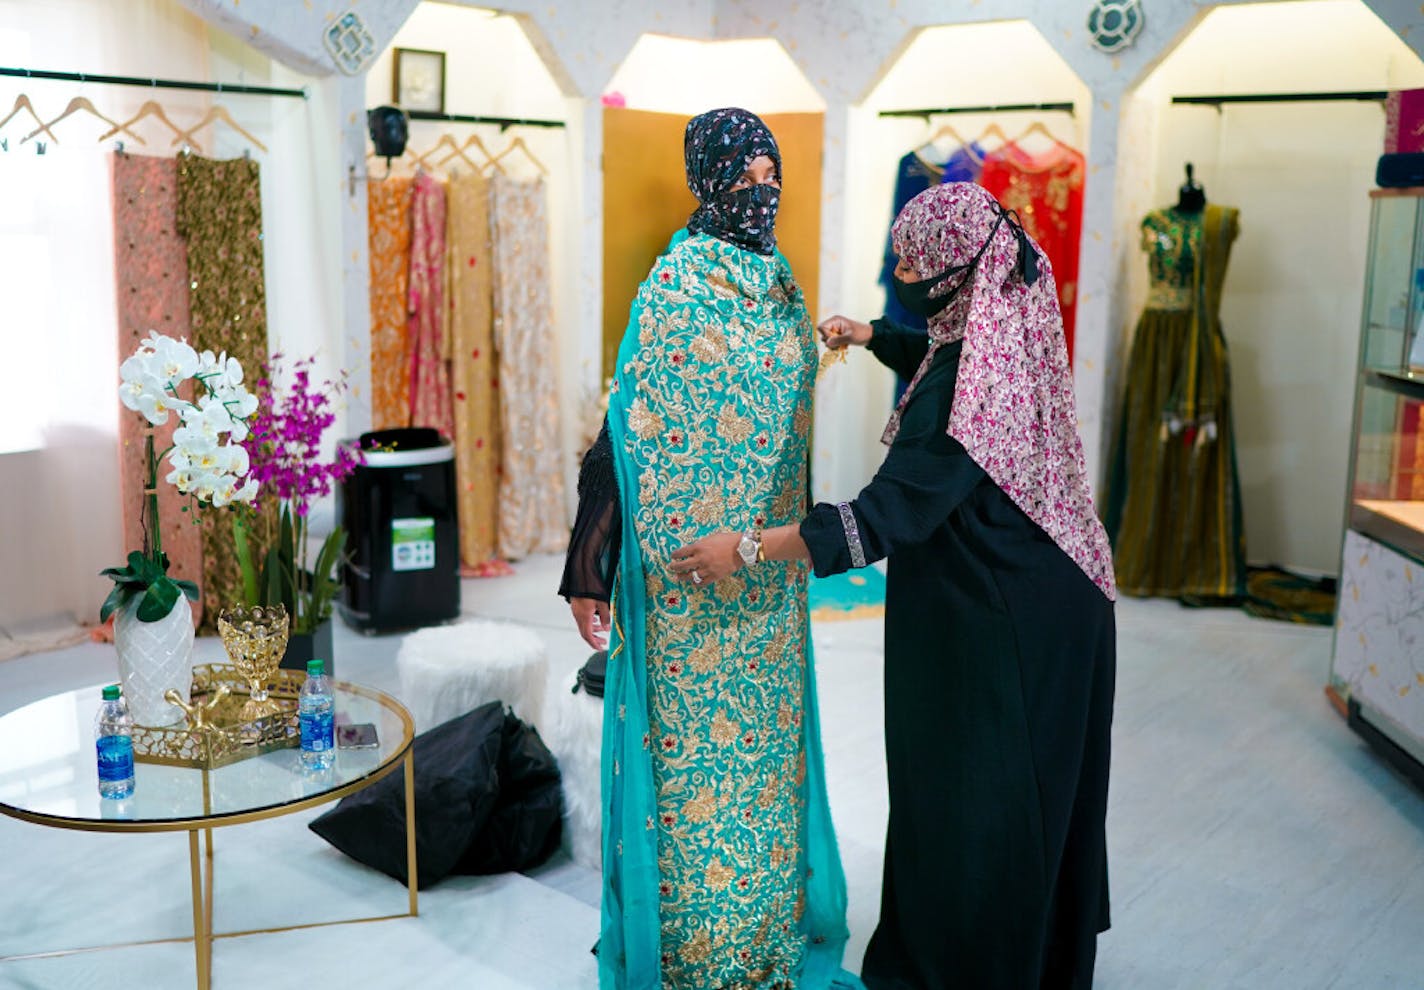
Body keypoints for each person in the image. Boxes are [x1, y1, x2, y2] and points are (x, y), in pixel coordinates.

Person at [673, 182, 1118, 989]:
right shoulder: (1001, 322)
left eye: (916, 263)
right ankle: (1027, 956)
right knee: (1006, 793)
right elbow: (938, 357)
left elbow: (882, 517)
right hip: (1051, 590)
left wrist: (744, 547)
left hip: (1007, 618)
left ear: (955, 271)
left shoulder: (962, 390)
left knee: (978, 797)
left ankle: (971, 968)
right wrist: (877, 334)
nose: (905, 271)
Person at [559, 107, 857, 990]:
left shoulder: (782, 284)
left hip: (766, 586)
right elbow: (621, 434)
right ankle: (692, 953)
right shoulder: (675, 285)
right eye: (743, 175)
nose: (760, 192)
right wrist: (590, 563)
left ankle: (763, 937)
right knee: (692, 778)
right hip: (684, 591)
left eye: (772, 175)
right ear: (706, 178)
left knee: (764, 768)